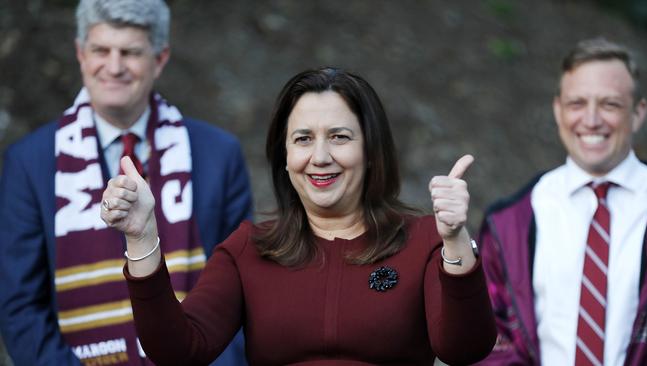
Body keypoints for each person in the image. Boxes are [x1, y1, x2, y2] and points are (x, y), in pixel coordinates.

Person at [100, 67, 497, 365]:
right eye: (303, 139)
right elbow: (178, 350)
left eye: (339, 137)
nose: (320, 157)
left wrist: (455, 239)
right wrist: (141, 237)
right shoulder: (249, 249)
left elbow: (464, 348)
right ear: (285, 157)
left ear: (372, 151)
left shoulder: (425, 240)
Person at [0, 0, 252, 365]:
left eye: (131, 52)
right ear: (80, 53)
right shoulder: (29, 162)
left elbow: (240, 292)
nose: (114, 67)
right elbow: (21, 307)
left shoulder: (218, 154)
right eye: (101, 50)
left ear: (160, 59)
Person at [477, 38, 647, 365]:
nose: (592, 119)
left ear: (638, 113)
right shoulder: (509, 223)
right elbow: (488, 340)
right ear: (558, 110)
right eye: (577, 103)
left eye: (610, 104)